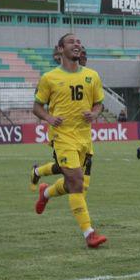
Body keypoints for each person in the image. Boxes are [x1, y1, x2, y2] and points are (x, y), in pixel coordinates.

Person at [32, 33, 108, 248]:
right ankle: (89, 233)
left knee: (77, 185)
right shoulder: (49, 78)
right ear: (60, 49)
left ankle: (45, 192)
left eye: (78, 42)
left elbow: (98, 103)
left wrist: (95, 114)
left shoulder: (92, 76)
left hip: (84, 138)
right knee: (76, 182)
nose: (77, 44)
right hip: (62, 136)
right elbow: (37, 106)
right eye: (71, 42)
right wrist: (48, 117)